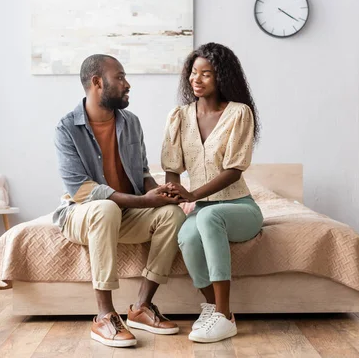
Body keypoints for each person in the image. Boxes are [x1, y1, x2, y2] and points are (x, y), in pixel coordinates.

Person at [53, 54, 186, 348]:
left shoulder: (131, 122)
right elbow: (81, 190)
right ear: (97, 82)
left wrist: (160, 193)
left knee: (174, 216)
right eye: (121, 77)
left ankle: (141, 307)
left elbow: (140, 174)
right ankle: (104, 316)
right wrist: (145, 202)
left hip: (125, 213)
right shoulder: (66, 129)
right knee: (104, 207)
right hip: (82, 214)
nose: (128, 84)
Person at [161, 42, 263, 343]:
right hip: (203, 208)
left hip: (239, 207)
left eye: (206, 74)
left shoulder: (239, 114)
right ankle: (213, 308)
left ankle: (223, 314)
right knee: (187, 235)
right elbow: (172, 167)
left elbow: (234, 169)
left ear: (222, 77)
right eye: (193, 72)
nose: (197, 79)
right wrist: (174, 194)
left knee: (208, 218)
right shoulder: (179, 116)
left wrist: (193, 196)